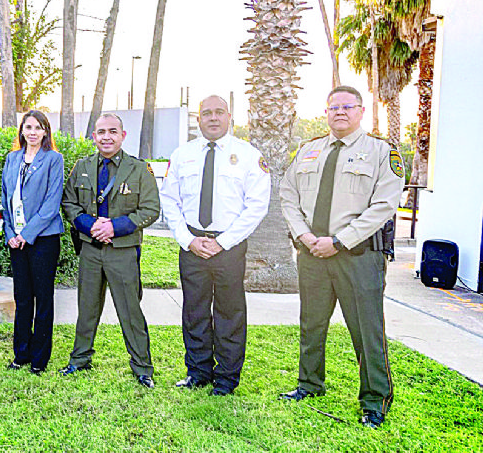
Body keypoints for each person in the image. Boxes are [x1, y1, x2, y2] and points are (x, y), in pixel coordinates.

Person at [279, 86, 405, 429]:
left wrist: (339, 240)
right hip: (312, 254)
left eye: (347, 107)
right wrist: (304, 236)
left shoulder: (381, 152)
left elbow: (384, 205)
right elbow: (287, 194)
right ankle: (309, 383)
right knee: (312, 323)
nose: (339, 112)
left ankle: (374, 401)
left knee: (366, 330)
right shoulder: (308, 150)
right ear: (326, 112)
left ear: (361, 111)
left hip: (359, 256)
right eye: (333, 107)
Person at [159, 95, 270, 396]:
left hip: (229, 247)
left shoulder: (248, 155)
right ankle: (197, 372)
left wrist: (222, 243)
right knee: (194, 311)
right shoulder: (183, 154)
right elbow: (170, 201)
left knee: (229, 312)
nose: (212, 118)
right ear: (198, 119)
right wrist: (188, 240)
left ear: (229, 117)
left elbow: (257, 206)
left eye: (219, 112)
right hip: (192, 244)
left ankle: (226, 378)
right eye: (206, 113)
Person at [58, 113, 161, 388]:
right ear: (94, 136)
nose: (106, 137)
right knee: (87, 307)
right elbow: (69, 203)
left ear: (123, 135)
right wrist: (91, 225)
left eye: (112, 131)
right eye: (101, 132)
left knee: (130, 310)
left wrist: (115, 227)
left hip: (123, 250)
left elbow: (151, 209)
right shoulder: (82, 166)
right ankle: (80, 359)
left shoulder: (139, 169)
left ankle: (142, 367)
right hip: (91, 249)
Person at [1, 111, 65, 375]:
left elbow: (51, 204)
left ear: (45, 132)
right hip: (16, 241)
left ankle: (39, 359)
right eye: (28, 127)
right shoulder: (12, 158)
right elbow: (5, 199)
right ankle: (21, 354)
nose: (33, 132)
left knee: (43, 298)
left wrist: (26, 235)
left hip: (43, 239)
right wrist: (10, 234)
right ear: (22, 131)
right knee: (22, 298)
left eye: (39, 128)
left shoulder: (54, 159)